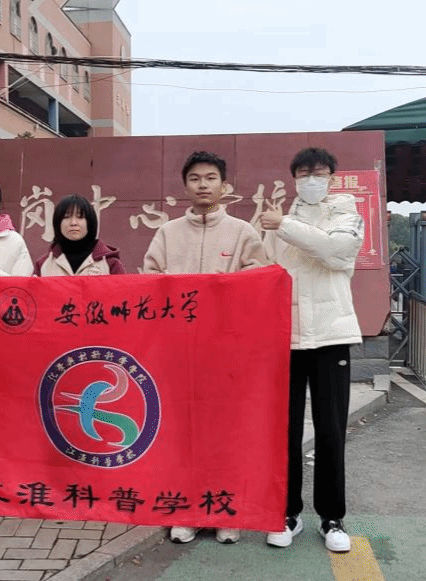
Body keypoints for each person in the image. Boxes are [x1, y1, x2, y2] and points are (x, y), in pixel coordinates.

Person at [143, 151, 267, 545]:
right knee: (181, 434)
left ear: (224, 185)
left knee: (225, 433)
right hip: (178, 352)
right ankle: (187, 511)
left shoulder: (242, 232)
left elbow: (259, 283)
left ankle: (225, 510)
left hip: (226, 353)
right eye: (195, 178)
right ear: (185, 186)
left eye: (210, 178)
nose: (203, 185)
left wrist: (221, 292)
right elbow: (149, 280)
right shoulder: (167, 233)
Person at [260, 147, 363, 553]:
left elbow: (336, 253)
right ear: (294, 180)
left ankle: (332, 517)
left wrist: (284, 226)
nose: (311, 181)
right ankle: (288, 513)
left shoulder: (345, 213)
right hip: (287, 337)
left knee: (330, 429)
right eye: (303, 174)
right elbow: (268, 271)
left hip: (331, 335)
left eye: (319, 173)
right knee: (285, 430)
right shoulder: (282, 218)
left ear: (332, 177)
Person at [35, 194, 126, 276]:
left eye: (80, 217)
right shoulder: (43, 265)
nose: (73, 223)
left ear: (90, 222)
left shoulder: (110, 263)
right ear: (58, 223)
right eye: (66, 217)